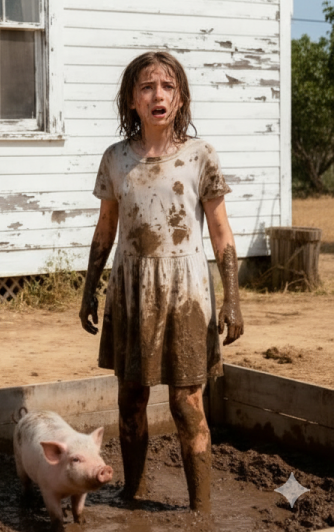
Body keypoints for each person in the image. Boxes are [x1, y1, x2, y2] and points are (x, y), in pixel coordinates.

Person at [79, 50, 243, 514]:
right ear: (132, 99)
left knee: (187, 403)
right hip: (131, 291)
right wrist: (90, 289)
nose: (158, 95)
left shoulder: (200, 156)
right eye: (147, 87)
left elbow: (221, 231)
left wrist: (232, 298)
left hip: (186, 293)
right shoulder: (116, 159)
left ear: (180, 98)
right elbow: (105, 229)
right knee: (130, 398)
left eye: (168, 87)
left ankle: (201, 509)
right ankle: (132, 493)